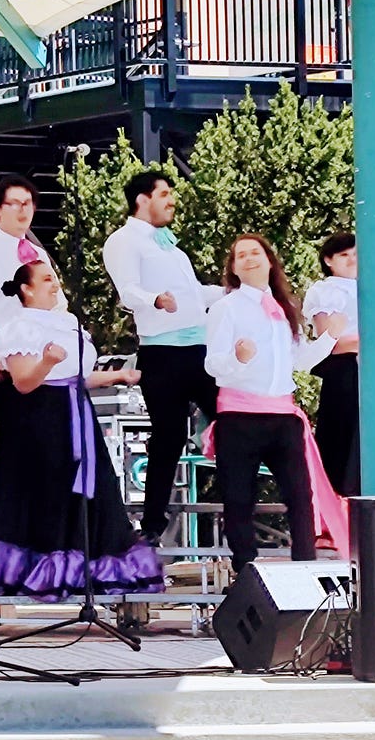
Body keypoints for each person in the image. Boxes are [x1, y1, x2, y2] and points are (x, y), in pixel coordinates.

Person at [0, 261, 163, 601]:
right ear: (27, 288)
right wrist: (47, 362)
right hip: (42, 419)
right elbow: (23, 382)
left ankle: (90, 567)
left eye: (55, 277)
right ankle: (48, 570)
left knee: (95, 488)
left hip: (76, 410)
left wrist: (117, 377)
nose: (55, 284)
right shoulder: (19, 327)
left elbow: (78, 376)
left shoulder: (68, 324)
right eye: (47, 278)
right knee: (52, 490)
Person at [203, 234, 351, 573]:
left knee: (301, 497)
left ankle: (305, 571)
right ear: (233, 267)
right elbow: (213, 365)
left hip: (283, 417)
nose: (249, 258)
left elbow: (300, 362)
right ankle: (246, 572)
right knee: (239, 500)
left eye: (255, 252)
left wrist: (329, 337)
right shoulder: (226, 307)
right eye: (240, 255)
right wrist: (238, 358)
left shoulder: (285, 308)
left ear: (269, 261)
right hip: (240, 417)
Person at [102, 171, 223, 543]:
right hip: (163, 352)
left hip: (200, 350)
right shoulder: (123, 241)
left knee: (235, 420)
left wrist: (230, 293)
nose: (171, 201)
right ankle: (153, 524)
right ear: (143, 199)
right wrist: (154, 299)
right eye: (165, 193)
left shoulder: (170, 246)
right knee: (168, 436)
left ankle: (238, 505)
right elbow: (127, 290)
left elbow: (192, 294)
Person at [0, 175, 67, 381]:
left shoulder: (38, 253)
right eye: (15, 204)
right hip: (8, 355)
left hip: (46, 353)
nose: (23, 210)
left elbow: (58, 302)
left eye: (28, 203)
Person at [303, 232, 359, 497]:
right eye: (344, 255)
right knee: (343, 448)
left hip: (374, 372)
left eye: (356, 254)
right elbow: (331, 341)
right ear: (329, 260)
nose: (352, 260)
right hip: (346, 373)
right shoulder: (325, 291)